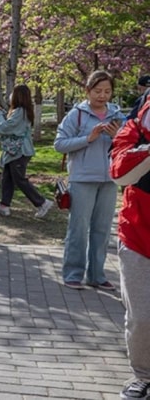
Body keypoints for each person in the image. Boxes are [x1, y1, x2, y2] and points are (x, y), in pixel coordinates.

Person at [53, 70, 124, 290]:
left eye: (107, 91)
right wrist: (88, 138)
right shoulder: (76, 115)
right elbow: (59, 144)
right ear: (87, 90)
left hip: (109, 180)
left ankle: (97, 275)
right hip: (82, 179)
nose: (102, 96)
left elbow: (128, 144)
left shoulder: (117, 115)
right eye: (97, 91)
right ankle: (73, 273)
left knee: (102, 230)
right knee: (79, 228)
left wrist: (117, 137)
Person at [110, 100, 150, 400]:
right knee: (142, 317)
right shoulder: (133, 129)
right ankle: (143, 376)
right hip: (138, 238)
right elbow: (120, 173)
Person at [0, 84, 54, 218]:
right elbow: (11, 125)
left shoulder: (20, 112)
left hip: (19, 151)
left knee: (19, 179)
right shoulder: (22, 111)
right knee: (7, 178)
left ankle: (41, 202)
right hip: (15, 151)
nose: (10, 96)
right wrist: (2, 114)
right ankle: (4, 206)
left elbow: (3, 128)